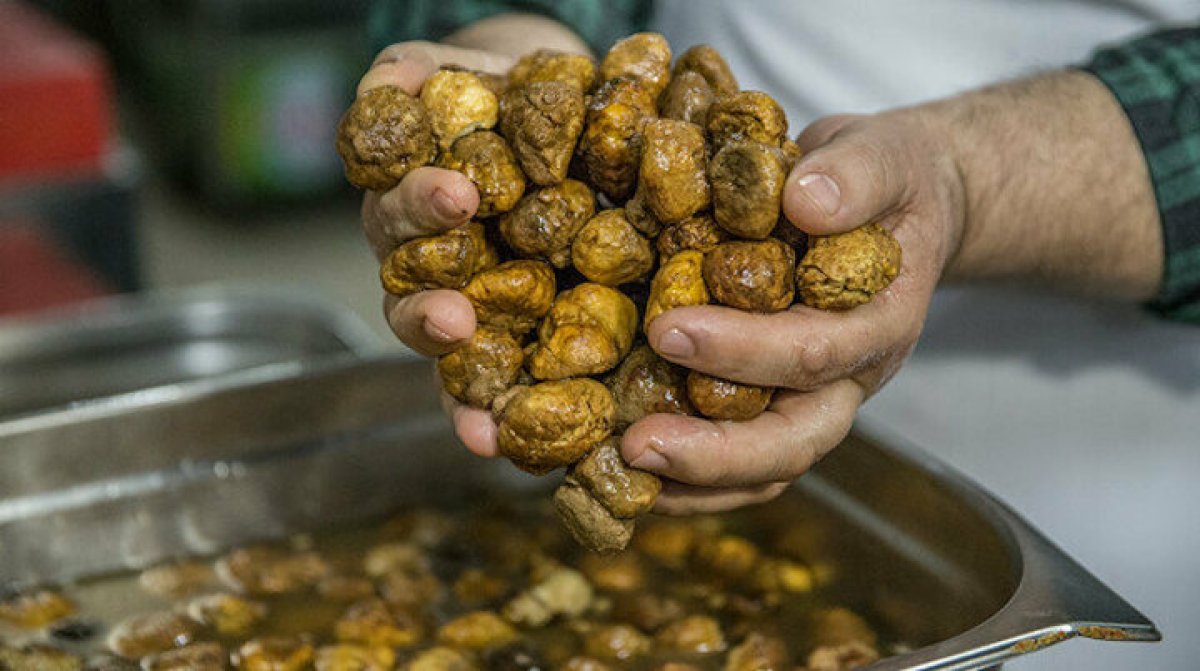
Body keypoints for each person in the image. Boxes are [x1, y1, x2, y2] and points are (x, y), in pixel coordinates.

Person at [354, 3, 1199, 516]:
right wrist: (518, 38)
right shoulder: (650, 185)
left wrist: (963, 180)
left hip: (1110, 424)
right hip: (720, 273)